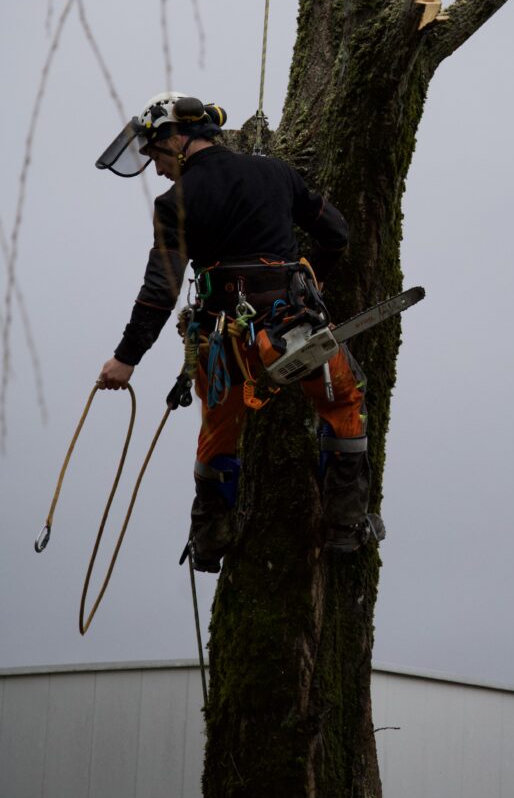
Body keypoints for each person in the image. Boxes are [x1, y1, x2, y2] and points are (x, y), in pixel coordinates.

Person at [96, 91, 383, 570]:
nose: (157, 168)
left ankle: (210, 540)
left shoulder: (174, 203)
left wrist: (126, 358)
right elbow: (336, 234)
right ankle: (344, 527)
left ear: (178, 138)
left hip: (224, 346)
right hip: (293, 327)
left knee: (217, 433)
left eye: (156, 153)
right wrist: (312, 278)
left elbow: (160, 291)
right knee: (343, 402)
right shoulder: (276, 173)